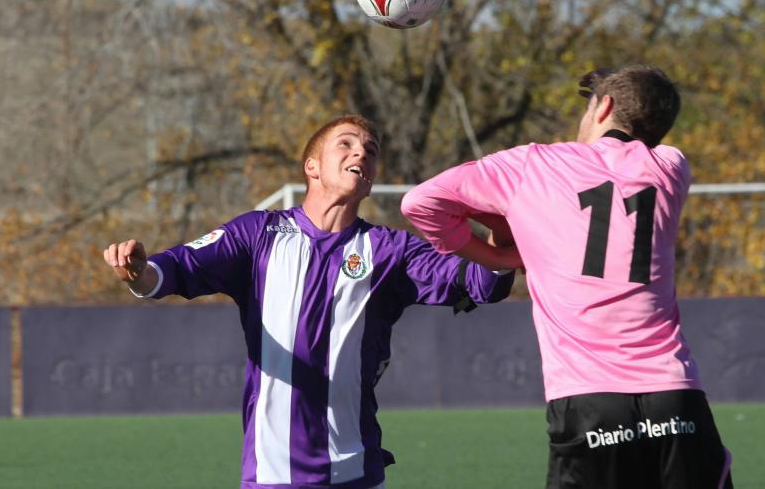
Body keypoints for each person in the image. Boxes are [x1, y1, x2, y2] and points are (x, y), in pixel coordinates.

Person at [103, 115, 515, 489]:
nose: (361, 153)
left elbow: (482, 283)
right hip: (273, 475)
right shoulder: (257, 235)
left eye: (370, 151)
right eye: (346, 144)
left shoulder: (391, 251)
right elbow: (177, 267)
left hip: (357, 473)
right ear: (312, 166)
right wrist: (139, 273)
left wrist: (503, 230)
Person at [401, 65, 733, 489]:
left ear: (604, 107)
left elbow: (420, 203)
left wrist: (498, 255)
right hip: (676, 399)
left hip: (589, 402)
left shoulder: (533, 164)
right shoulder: (672, 168)